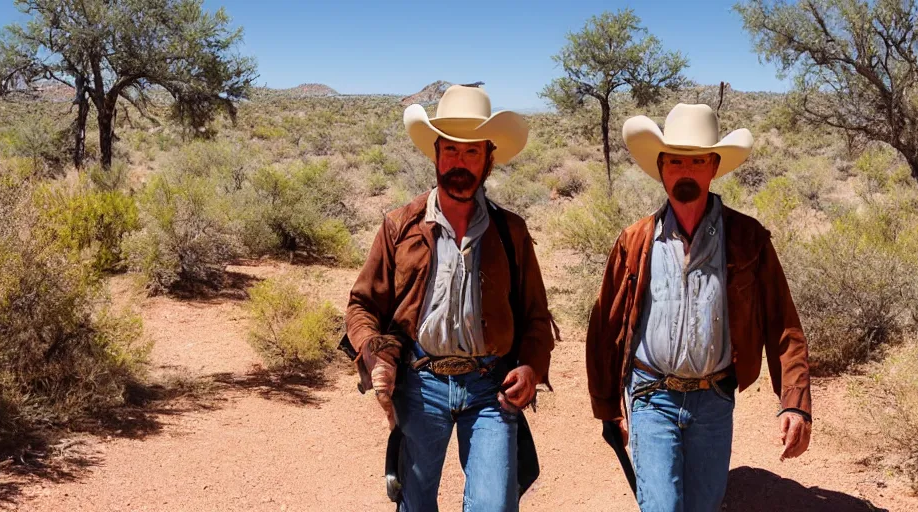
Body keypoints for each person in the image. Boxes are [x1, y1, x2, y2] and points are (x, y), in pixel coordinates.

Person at [585, 103, 813, 511]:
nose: (684, 171)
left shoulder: (748, 238)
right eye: (674, 161)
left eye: (696, 161)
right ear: (661, 168)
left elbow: (783, 324)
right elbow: (606, 326)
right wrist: (607, 407)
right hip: (652, 395)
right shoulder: (635, 240)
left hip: (714, 400)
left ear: (713, 167)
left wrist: (794, 401)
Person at [345, 83, 558, 511]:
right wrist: (375, 354)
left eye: (471, 152)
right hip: (420, 382)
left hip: (489, 386)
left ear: (489, 160)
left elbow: (536, 316)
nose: (459, 163)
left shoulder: (510, 232)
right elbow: (362, 305)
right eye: (450, 151)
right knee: (416, 503)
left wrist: (532, 367)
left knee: (494, 504)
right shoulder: (399, 227)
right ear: (436, 154)